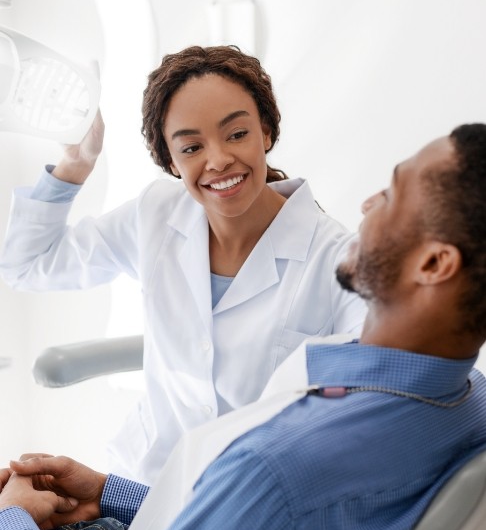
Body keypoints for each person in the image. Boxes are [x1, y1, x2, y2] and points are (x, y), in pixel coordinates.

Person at [1, 123, 486, 530]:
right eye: (191, 145)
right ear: (171, 160)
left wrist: (11, 523)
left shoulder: (275, 468)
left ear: (433, 265)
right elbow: (243, 525)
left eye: (393, 193)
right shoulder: (469, 397)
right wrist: (109, 491)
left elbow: (269, 499)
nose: (367, 202)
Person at [0, 46, 366, 485]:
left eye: (236, 134)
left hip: (244, 500)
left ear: (265, 132)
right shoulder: (158, 212)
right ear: (171, 161)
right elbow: (27, 264)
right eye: (192, 147)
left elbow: (375, 396)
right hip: (138, 481)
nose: (218, 160)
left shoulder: (338, 258)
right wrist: (77, 162)